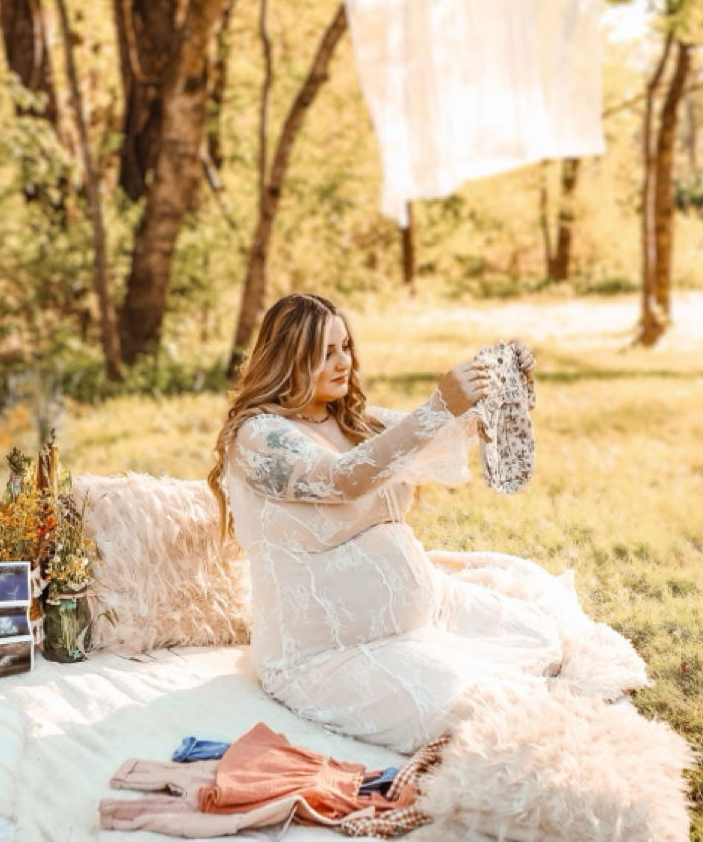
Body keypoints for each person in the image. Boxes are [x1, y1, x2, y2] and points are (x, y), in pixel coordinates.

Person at [208, 293, 567, 754]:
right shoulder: (259, 437)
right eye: (324, 353)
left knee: (537, 637)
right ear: (286, 359)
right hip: (326, 653)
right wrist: (438, 405)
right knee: (465, 708)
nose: (343, 362)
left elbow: (441, 434)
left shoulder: (353, 420)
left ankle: (436, 645)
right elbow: (343, 478)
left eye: (345, 347)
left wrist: (502, 387)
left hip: (423, 612)